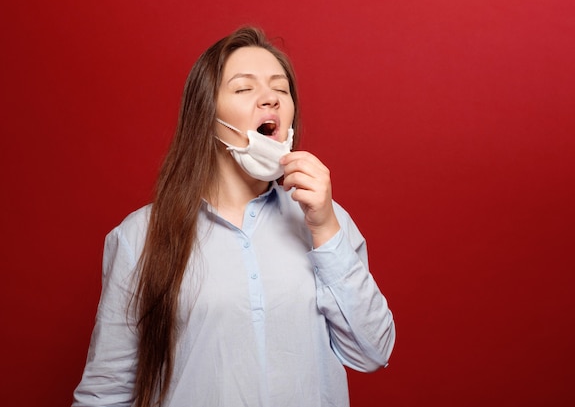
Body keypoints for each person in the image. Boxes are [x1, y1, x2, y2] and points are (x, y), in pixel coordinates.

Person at [72, 26, 395, 407]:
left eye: (281, 89)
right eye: (244, 89)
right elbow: (105, 393)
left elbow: (372, 352)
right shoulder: (139, 237)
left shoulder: (326, 221)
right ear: (206, 117)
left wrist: (324, 227)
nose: (270, 99)